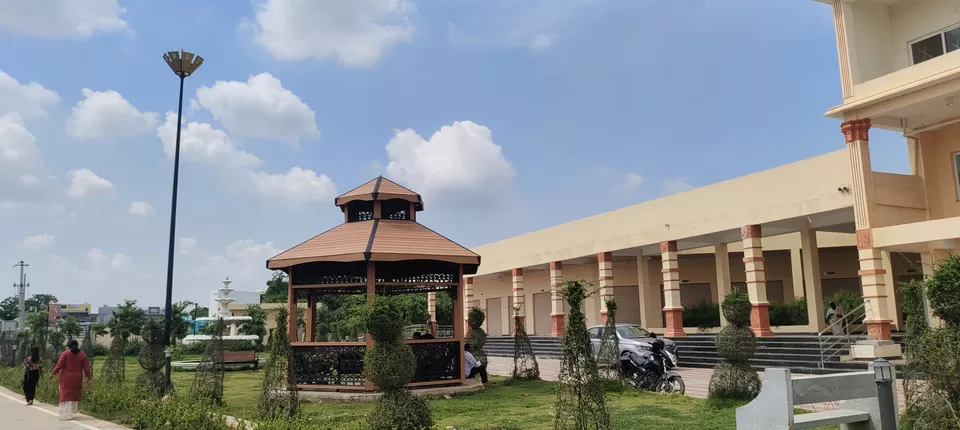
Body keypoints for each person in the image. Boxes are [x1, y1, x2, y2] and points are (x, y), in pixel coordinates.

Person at [50, 339, 92, 421]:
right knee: (73, 395)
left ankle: (66, 414)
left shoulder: (65, 353)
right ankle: (72, 412)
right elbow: (87, 368)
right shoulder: (82, 355)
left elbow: (59, 365)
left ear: (68, 346)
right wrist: (89, 379)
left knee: (65, 395)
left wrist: (53, 373)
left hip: (66, 378)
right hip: (77, 378)